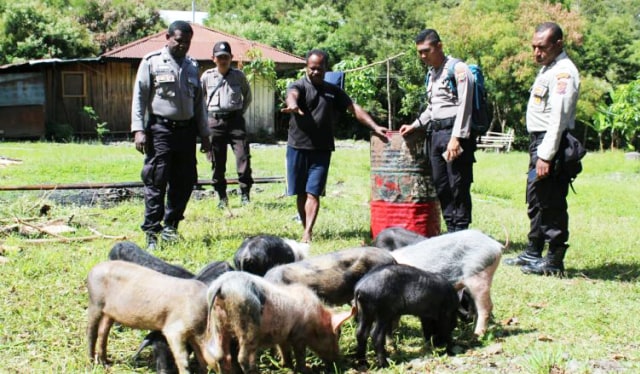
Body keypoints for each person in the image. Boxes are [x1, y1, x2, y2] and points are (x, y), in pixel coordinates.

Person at [281, 49, 388, 243]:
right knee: (300, 192)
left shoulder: (333, 91)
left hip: (322, 149)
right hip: (297, 146)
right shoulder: (298, 85)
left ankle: (308, 233)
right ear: (306, 67)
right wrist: (293, 105)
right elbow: (292, 94)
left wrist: (374, 126)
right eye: (312, 68)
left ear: (325, 68)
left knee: (313, 192)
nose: (315, 72)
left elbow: (353, 108)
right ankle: (305, 227)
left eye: (319, 69)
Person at [503, 22, 580, 276]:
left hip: (551, 143)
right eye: (534, 47)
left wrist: (545, 155)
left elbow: (558, 118)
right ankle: (533, 251)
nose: (536, 53)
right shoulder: (549, 67)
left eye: (542, 47)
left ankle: (554, 260)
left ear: (558, 44)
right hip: (539, 141)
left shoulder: (563, 73)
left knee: (552, 201)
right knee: (536, 199)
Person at [131, 21, 211, 250]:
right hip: (160, 130)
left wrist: (204, 135)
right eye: (178, 40)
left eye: (187, 42)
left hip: (186, 132)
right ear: (167, 37)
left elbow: (199, 105)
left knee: (184, 181)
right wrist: (138, 129)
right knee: (157, 179)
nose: (183, 45)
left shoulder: (192, 66)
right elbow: (139, 97)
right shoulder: (152, 62)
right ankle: (151, 232)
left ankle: (171, 227)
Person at [399, 29, 476, 233]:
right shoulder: (432, 73)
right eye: (420, 52)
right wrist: (415, 124)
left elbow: (465, 106)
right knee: (441, 184)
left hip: (455, 133)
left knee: (457, 184)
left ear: (439, 46)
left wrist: (457, 138)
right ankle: (451, 228)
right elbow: (433, 107)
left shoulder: (458, 69)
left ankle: (460, 230)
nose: (423, 56)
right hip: (436, 134)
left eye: (427, 51)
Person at [201, 41, 253, 209]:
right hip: (214, 122)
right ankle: (222, 197)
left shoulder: (239, 76)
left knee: (243, 158)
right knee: (217, 161)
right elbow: (199, 101)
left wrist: (238, 112)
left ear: (231, 58)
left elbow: (248, 96)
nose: (223, 60)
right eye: (220, 57)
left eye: (226, 57)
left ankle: (245, 194)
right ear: (213, 58)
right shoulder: (207, 76)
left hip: (236, 122)